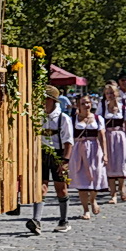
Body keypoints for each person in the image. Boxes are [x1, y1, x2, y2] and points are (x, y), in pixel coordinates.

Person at [29, 88, 73, 234]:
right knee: (41, 188)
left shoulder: (63, 118)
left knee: (61, 188)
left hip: (58, 155)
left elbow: (68, 142)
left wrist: (65, 161)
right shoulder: (38, 117)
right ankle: (36, 220)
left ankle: (63, 220)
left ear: (53, 101)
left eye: (45, 99)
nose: (42, 103)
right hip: (41, 154)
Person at [68, 95, 107, 220]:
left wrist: (105, 154)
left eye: (88, 103)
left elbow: (102, 137)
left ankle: (93, 199)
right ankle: (85, 209)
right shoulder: (72, 119)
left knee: (96, 177)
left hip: (94, 149)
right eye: (83, 103)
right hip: (78, 149)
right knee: (81, 180)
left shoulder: (97, 118)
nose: (87, 105)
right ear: (78, 106)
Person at [101, 83, 126, 203]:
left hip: (120, 137)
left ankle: (121, 187)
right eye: (108, 93)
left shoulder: (123, 108)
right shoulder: (103, 107)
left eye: (112, 93)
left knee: (121, 163)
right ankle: (113, 194)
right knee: (109, 164)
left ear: (117, 94)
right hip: (108, 137)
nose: (110, 95)